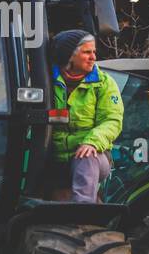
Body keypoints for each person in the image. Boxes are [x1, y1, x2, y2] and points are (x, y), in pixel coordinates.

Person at [46, 29, 123, 202]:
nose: (93, 57)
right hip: (54, 157)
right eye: (87, 52)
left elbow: (112, 120)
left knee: (86, 157)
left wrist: (92, 142)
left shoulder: (104, 83)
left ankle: (83, 210)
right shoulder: (45, 81)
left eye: (94, 52)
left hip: (93, 156)